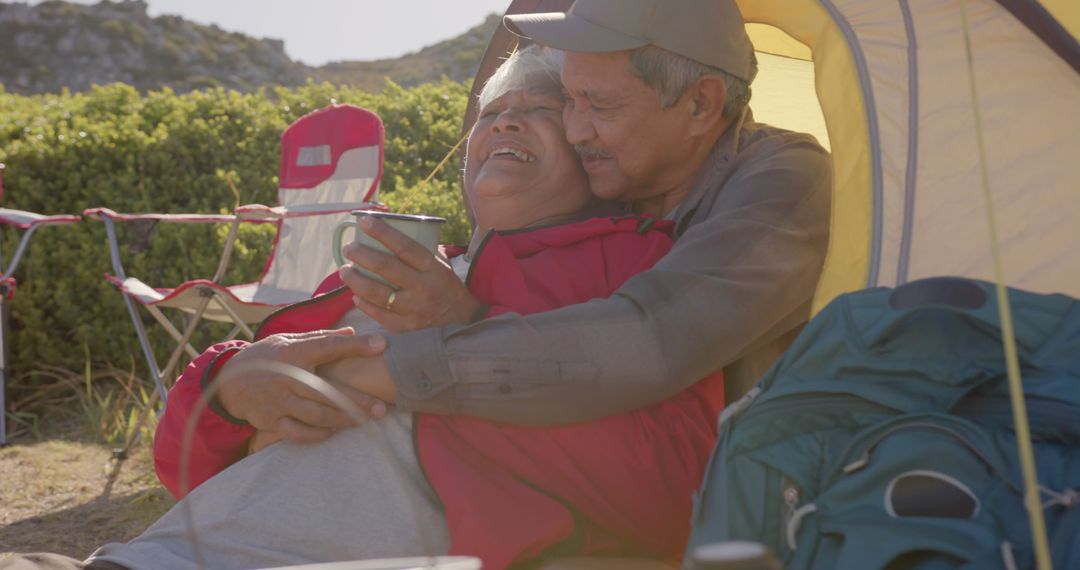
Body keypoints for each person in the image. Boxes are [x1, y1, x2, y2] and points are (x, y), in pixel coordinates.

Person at [0, 45, 723, 570]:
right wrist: (228, 388)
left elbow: (667, 493)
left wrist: (457, 337)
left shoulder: (631, 267)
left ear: (593, 152)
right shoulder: (395, 274)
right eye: (490, 115)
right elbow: (187, 464)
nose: (503, 124)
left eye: (538, 111)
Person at [158, 0, 829, 466]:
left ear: (702, 104)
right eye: (567, 100)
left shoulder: (783, 180)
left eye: (599, 106)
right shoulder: (612, 183)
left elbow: (649, 341)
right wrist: (232, 387)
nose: (575, 129)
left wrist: (376, 373)